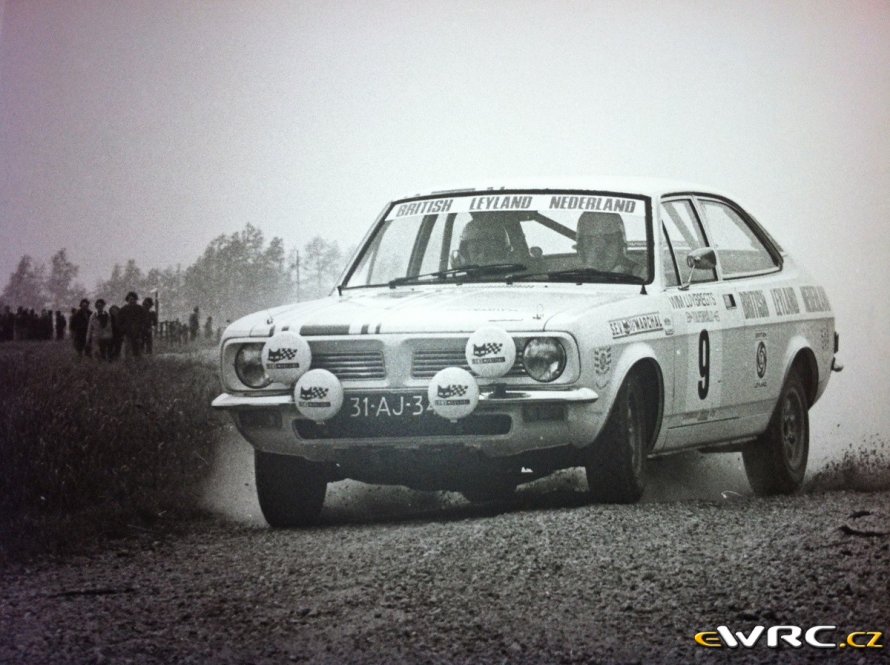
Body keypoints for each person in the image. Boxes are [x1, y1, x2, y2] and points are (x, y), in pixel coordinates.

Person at [575, 212, 645, 279]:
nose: (600, 249)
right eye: (591, 243)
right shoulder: (573, 278)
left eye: (608, 241)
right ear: (581, 248)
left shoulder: (641, 276)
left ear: (620, 246)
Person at [116, 291, 147, 359]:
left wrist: (141, 329)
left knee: (138, 350)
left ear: (136, 300)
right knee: (128, 350)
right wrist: (123, 330)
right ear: (127, 300)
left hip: (138, 333)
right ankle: (128, 363)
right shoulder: (123, 310)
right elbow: (119, 322)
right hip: (127, 333)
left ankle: (138, 363)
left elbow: (144, 321)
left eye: (134, 299)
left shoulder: (140, 309)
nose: (132, 301)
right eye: (130, 299)